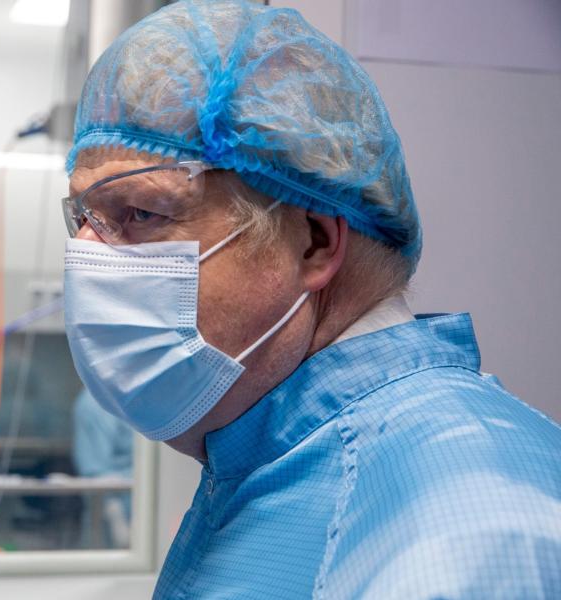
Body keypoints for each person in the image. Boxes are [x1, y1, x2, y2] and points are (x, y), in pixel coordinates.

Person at [60, 2, 561, 598]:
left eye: (142, 212)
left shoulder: (474, 536)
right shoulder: (269, 463)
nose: (89, 257)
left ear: (314, 243)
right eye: (83, 218)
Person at [73, 388, 133, 548]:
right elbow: (97, 476)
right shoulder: (95, 403)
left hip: (144, 520)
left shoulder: (141, 397)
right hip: (112, 523)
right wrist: (119, 524)